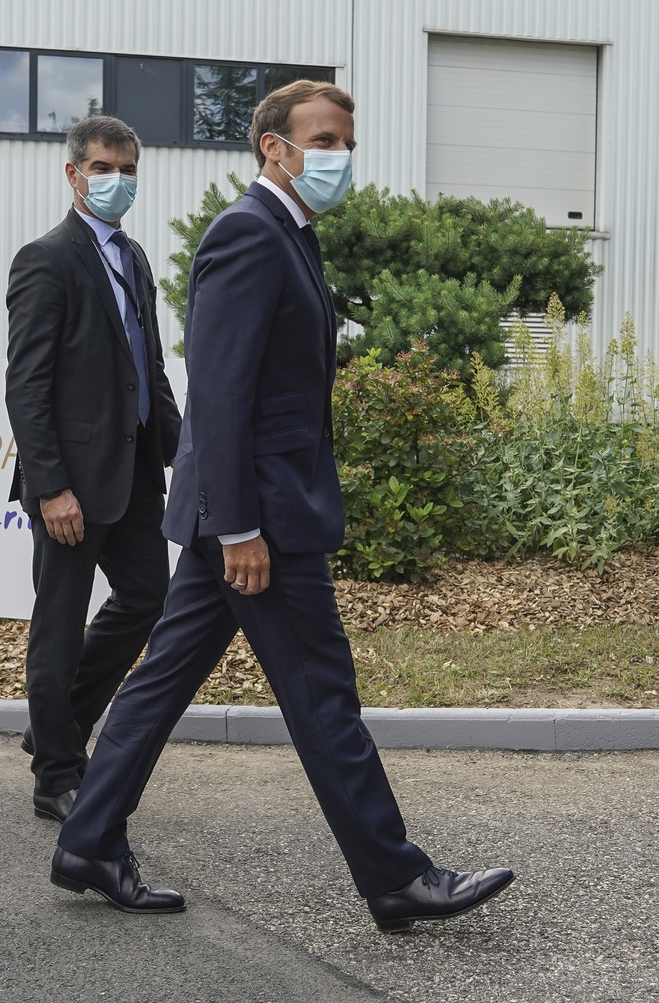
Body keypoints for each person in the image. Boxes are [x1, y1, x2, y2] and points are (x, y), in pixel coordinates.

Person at [50, 81, 515, 932]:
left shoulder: (289, 236)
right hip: (259, 523)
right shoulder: (249, 234)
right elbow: (221, 393)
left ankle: (86, 840)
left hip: (248, 513)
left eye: (347, 142)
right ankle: (396, 876)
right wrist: (239, 527)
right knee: (323, 695)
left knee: (159, 684)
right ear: (274, 146)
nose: (340, 155)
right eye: (325, 139)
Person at [4, 116, 181, 823]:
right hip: (71, 485)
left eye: (129, 169)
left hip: (134, 473)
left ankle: (58, 727)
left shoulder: (133, 258)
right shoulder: (45, 259)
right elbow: (26, 383)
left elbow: (152, 370)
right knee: (57, 625)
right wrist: (50, 486)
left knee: (147, 596)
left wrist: (184, 453)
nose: (118, 181)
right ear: (73, 174)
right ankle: (56, 776)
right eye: (104, 168)